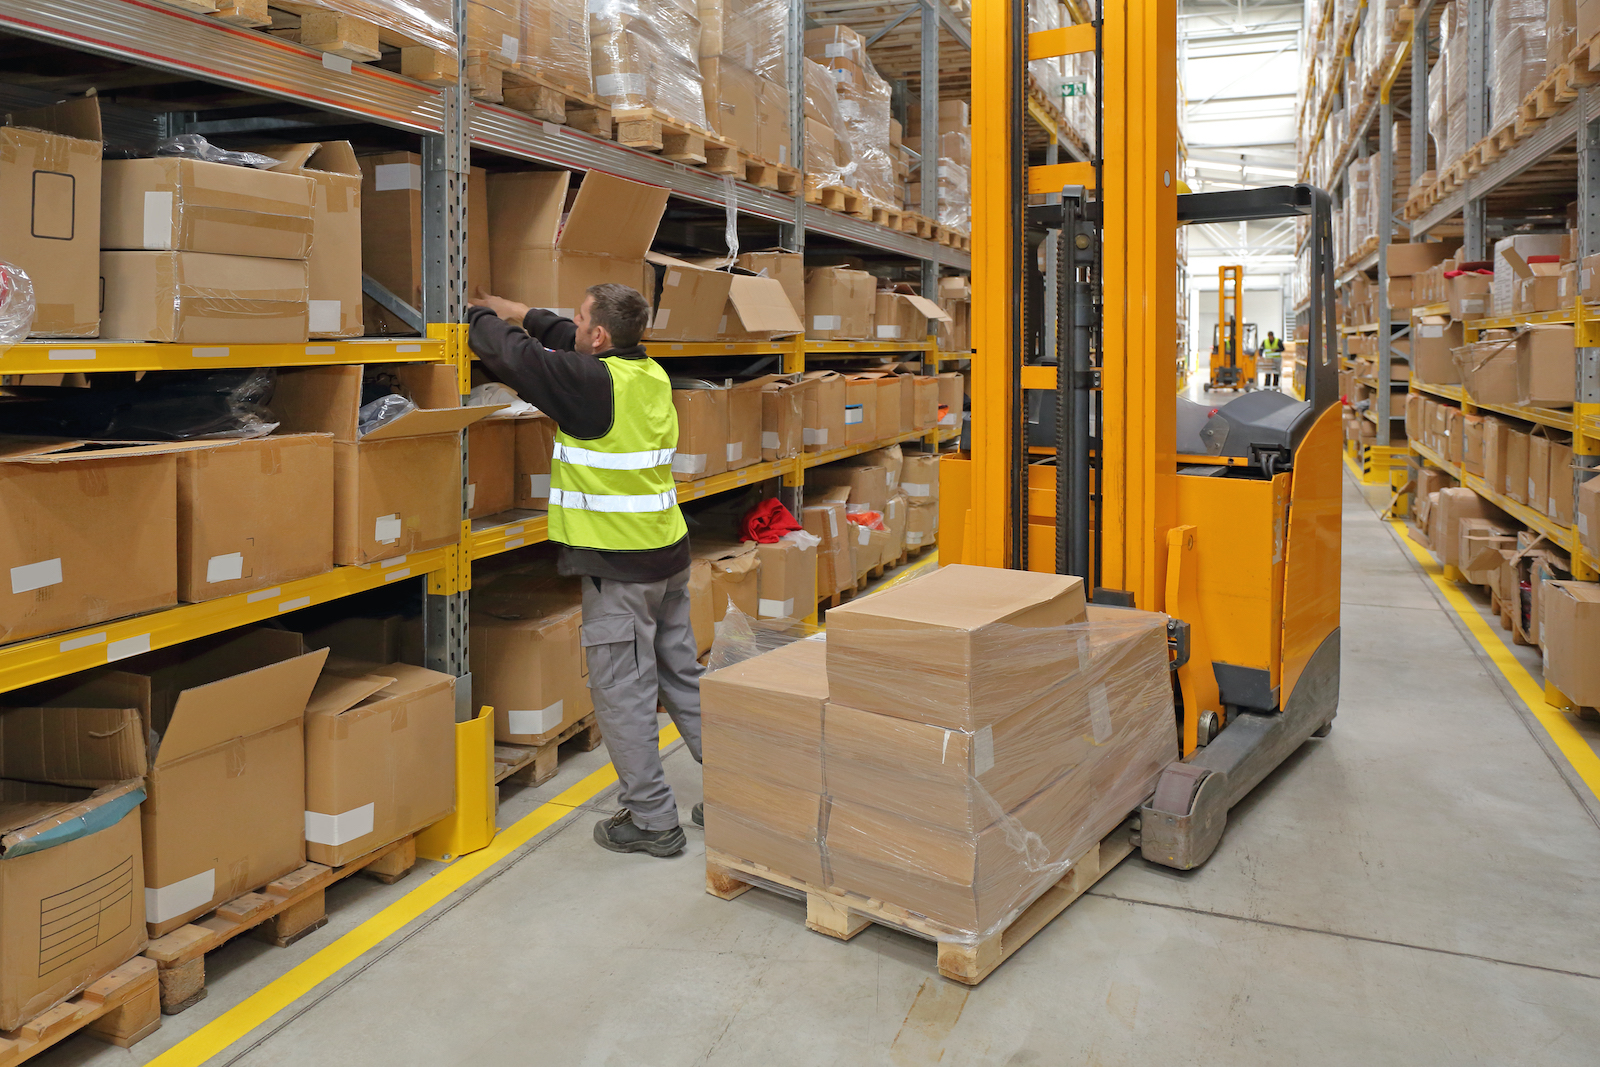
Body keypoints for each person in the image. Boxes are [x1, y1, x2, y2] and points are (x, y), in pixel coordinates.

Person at [467, 283, 703, 859]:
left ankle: (651, 820)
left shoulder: (590, 384)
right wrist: (514, 309)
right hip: (668, 555)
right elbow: (557, 339)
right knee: (682, 676)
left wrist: (472, 315)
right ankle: (741, 792)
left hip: (620, 567)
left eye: (578, 319)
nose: (569, 326)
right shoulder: (647, 373)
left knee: (622, 692)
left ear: (598, 336)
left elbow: (515, 356)